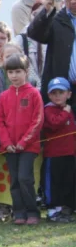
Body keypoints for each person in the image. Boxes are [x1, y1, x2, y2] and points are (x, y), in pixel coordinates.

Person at [0, 54, 44, 225]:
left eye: (18, 71)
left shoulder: (34, 94)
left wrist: (23, 142)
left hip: (28, 147)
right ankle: (19, 212)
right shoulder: (4, 96)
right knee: (14, 180)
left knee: (25, 178)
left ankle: (32, 211)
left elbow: (37, 121)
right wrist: (6, 143)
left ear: (26, 72)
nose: (14, 76)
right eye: (10, 72)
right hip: (10, 148)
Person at [27, 0, 76, 97]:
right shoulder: (55, 18)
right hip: (61, 91)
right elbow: (35, 34)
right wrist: (46, 10)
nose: (73, 1)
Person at [42, 78, 76, 222]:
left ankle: (65, 209)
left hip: (69, 153)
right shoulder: (48, 109)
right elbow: (55, 123)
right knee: (53, 183)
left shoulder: (69, 110)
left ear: (69, 94)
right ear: (49, 95)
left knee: (67, 181)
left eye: (61, 92)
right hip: (54, 155)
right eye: (54, 93)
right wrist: (66, 112)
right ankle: (52, 210)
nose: (57, 96)